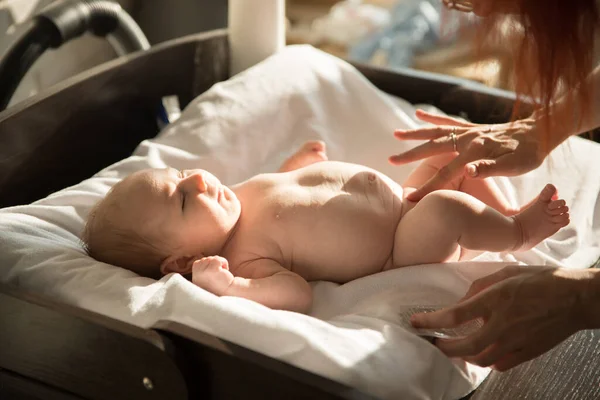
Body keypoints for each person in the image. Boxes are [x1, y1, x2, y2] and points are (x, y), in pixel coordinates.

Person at [82, 140, 568, 314]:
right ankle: (517, 233)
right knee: (445, 207)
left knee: (450, 157)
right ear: (183, 260)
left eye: (184, 176)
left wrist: (301, 163)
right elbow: (296, 294)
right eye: (186, 199)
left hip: (401, 197)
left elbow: (286, 185)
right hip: (402, 245)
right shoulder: (242, 256)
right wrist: (232, 287)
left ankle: (498, 213)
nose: (202, 180)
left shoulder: (234, 198)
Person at [389, 0, 600, 372]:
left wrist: (581, 296)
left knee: (446, 206)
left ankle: (516, 230)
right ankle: (507, 219)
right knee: (457, 169)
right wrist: (545, 125)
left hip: (397, 223)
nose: (481, 14)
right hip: (396, 225)